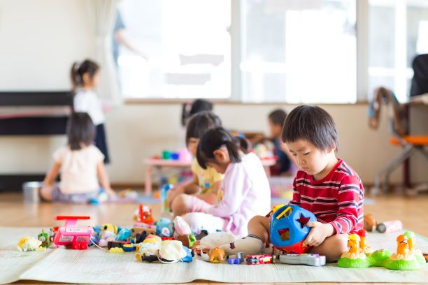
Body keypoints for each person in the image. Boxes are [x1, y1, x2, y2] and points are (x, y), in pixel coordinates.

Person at [220, 105, 364, 262]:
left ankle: (284, 247)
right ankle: (256, 242)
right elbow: (295, 207)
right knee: (256, 220)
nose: (299, 161)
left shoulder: (346, 178)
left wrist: (326, 229)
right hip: (301, 232)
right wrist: (278, 216)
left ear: (330, 146)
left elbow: (349, 218)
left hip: (330, 235)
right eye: (294, 154)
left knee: (341, 244)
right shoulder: (302, 175)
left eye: (306, 153)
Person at [175, 127, 271, 238]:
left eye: (212, 166)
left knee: (191, 220)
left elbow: (228, 208)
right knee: (191, 217)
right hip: (246, 224)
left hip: (241, 229)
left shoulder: (238, 167)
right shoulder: (251, 159)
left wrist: (208, 211)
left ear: (220, 155)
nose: (215, 170)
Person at [41, 113, 116, 203]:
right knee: (102, 192)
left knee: (44, 191)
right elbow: (102, 175)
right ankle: (94, 200)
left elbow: (51, 175)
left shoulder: (62, 151)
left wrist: (47, 185)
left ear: (70, 131)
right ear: (91, 131)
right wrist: (108, 189)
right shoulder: (94, 151)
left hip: (67, 196)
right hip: (91, 194)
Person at [168, 111, 223, 216]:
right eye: (192, 142)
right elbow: (196, 184)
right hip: (202, 202)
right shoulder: (197, 162)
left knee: (181, 202)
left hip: (216, 209)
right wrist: (181, 189)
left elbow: (217, 198)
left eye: (200, 142)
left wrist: (190, 198)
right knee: (172, 193)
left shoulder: (217, 166)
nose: (195, 147)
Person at [71, 59, 110, 163]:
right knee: (92, 158)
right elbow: (81, 117)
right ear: (87, 77)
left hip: (98, 127)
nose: (99, 79)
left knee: (99, 158)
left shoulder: (91, 94)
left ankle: (96, 178)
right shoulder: (81, 96)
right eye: (97, 75)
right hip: (90, 131)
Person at [268, 109, 294, 176]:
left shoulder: (287, 143)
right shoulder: (275, 141)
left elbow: (297, 166)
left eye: (270, 125)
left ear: (278, 126)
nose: (269, 129)